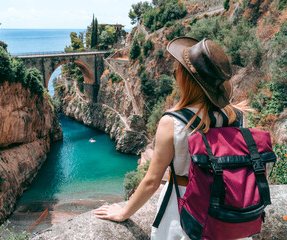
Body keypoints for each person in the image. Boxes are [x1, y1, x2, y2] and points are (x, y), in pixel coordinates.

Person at [93, 37, 247, 239]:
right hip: (228, 215)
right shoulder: (236, 116)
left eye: (178, 71)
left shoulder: (173, 122)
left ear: (184, 78)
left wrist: (123, 212)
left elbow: (152, 181)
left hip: (185, 215)